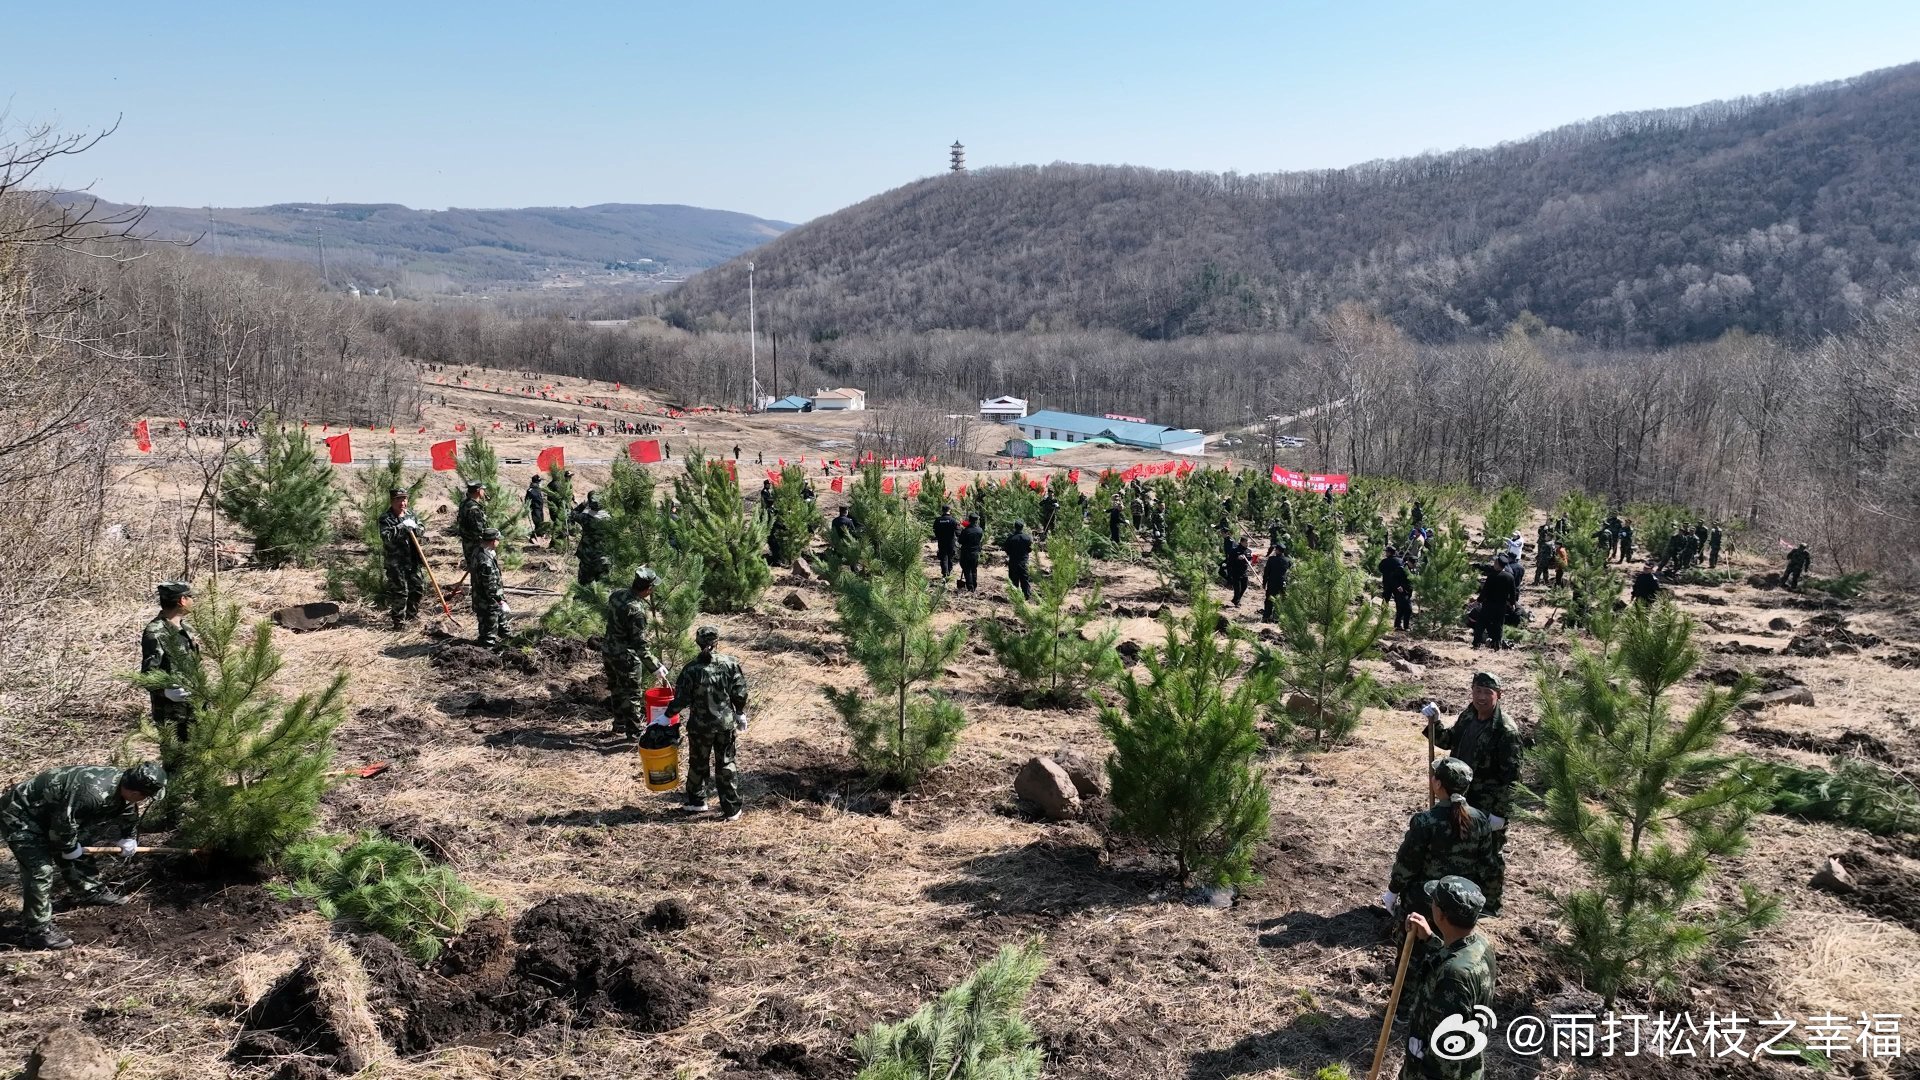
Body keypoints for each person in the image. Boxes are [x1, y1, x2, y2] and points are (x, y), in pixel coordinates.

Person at [1, 762, 167, 950]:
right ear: (136, 792)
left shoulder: (123, 785)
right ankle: (38, 932)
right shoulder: (92, 794)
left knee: (80, 843)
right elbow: (64, 825)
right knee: (40, 871)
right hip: (21, 815)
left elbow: (127, 807)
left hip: (53, 813)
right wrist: (69, 848)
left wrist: (128, 836)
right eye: (145, 796)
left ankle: (89, 890)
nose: (144, 800)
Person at [1382, 758, 1504, 922]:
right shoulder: (1480, 819)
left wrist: (1392, 891)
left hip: (1428, 903)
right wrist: (1486, 905)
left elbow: (1407, 864)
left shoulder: (1425, 821)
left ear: (1438, 784)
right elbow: (1488, 865)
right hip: (1464, 903)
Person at [1399, 877, 1497, 1080]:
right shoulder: (1480, 946)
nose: (1431, 904)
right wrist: (1429, 939)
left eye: (1433, 901)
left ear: (1440, 914)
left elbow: (1445, 1053)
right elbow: (1454, 958)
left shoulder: (1453, 978)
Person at [1420, 672, 1520, 854]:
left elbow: (1512, 779)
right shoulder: (1469, 715)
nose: (1481, 697)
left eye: (1488, 692)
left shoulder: (1504, 730)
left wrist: (1500, 813)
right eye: (1477, 690)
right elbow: (1449, 741)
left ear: (1499, 694)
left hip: (1485, 806)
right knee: (1458, 852)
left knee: (1485, 856)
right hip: (1458, 797)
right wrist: (1435, 723)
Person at [666, 625, 750, 821]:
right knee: (726, 764)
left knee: (698, 762)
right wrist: (740, 713)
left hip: (700, 726)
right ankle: (731, 809)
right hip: (724, 725)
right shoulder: (730, 663)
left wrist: (667, 715)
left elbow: (681, 699)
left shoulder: (691, 669)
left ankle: (697, 801)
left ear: (697, 642)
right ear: (717, 642)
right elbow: (740, 692)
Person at [602, 567, 669, 739]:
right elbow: (640, 645)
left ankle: (619, 724)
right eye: (652, 588)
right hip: (625, 656)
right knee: (632, 694)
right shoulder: (637, 611)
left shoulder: (616, 595)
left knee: (616, 688)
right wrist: (655, 667)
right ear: (648, 589)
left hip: (609, 650)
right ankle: (635, 732)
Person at [140, 581, 201, 746]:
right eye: (191, 597)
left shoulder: (186, 629)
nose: (193, 601)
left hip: (194, 709)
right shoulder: (155, 632)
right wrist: (165, 691)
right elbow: (148, 674)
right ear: (182, 600)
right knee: (176, 763)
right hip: (171, 714)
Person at [377, 489, 429, 629]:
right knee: (400, 592)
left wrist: (416, 528)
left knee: (418, 588)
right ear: (392, 501)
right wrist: (401, 527)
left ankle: (411, 617)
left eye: (405, 499)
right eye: (399, 499)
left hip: (412, 560)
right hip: (396, 563)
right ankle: (399, 623)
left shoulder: (410, 514)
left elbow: (422, 528)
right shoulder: (385, 518)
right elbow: (386, 537)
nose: (403, 503)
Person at [471, 528, 508, 648]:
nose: (499, 542)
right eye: (498, 540)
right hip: (489, 603)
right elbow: (490, 585)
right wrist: (500, 600)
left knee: (504, 628)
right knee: (489, 636)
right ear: (493, 541)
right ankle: (487, 658)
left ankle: (510, 643)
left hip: (482, 600)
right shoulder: (486, 561)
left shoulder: (478, 552)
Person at [571, 492, 613, 586]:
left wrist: (582, 505)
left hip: (587, 556)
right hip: (604, 558)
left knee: (584, 585)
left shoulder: (585, 518)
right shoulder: (610, 519)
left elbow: (573, 514)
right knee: (603, 587)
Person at [1471, 564, 1516, 651]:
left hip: (1488, 605)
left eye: (1495, 563)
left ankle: (1476, 644)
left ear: (1498, 565)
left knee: (1481, 623)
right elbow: (1513, 592)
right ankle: (1496, 645)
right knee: (1498, 625)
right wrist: (1512, 603)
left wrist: (1478, 601)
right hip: (1501, 606)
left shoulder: (1492, 576)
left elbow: (1485, 591)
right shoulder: (1510, 577)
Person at [456, 481, 489, 570]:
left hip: (467, 542)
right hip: (475, 544)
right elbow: (478, 530)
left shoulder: (464, 503)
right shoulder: (474, 509)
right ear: (478, 491)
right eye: (483, 489)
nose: (484, 492)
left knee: (473, 569)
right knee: (479, 569)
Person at [1381, 545, 1413, 632]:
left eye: (1386, 552)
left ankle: (1383, 616)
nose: (1386, 553)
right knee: (1399, 602)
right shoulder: (1400, 561)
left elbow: (1380, 569)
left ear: (1389, 552)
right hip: (1397, 585)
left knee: (1385, 600)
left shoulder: (1384, 561)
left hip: (1388, 584)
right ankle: (1398, 622)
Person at [1261, 542, 1292, 623]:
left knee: (1269, 600)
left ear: (1278, 550)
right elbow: (1291, 573)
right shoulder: (1288, 560)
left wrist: (1264, 583)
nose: (1275, 551)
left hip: (1272, 583)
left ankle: (1266, 617)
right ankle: (1276, 618)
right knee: (1280, 601)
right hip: (1283, 584)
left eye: (1276, 549)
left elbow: (1266, 572)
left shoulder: (1271, 559)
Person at [1002, 521, 1034, 600]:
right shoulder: (1027, 538)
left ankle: (1015, 597)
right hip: (1024, 561)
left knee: (1014, 580)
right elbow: (1030, 549)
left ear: (1015, 527)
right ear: (1022, 527)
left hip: (1013, 561)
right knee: (1025, 579)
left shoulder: (1011, 538)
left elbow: (1006, 549)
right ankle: (1026, 596)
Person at [957, 514, 985, 593]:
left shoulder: (966, 531)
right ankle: (974, 585)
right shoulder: (980, 530)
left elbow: (960, 541)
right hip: (975, 552)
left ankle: (970, 587)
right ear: (976, 520)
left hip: (966, 552)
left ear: (969, 520)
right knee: (973, 569)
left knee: (967, 569)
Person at [933, 505, 959, 579]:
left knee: (943, 557)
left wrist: (938, 536)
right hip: (951, 541)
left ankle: (945, 573)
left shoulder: (938, 520)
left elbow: (935, 531)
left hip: (941, 541)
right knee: (950, 557)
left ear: (942, 510)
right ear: (949, 510)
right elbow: (957, 532)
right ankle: (949, 571)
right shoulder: (953, 520)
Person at [1225, 538, 1251, 608]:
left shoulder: (1248, 551)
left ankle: (1236, 599)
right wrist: (1237, 558)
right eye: (1246, 542)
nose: (1247, 544)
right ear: (1242, 542)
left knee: (1244, 586)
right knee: (1237, 588)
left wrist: (1251, 561)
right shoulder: (1234, 550)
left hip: (1244, 572)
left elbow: (1249, 559)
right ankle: (1237, 602)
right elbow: (1230, 562)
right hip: (1236, 572)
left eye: (1248, 543)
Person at [525, 474, 547, 538]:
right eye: (539, 482)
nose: (540, 483)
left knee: (541, 521)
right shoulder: (530, 490)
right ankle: (535, 536)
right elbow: (527, 500)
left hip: (540, 508)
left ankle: (539, 535)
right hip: (535, 509)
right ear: (536, 482)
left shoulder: (538, 489)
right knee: (538, 522)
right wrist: (527, 507)